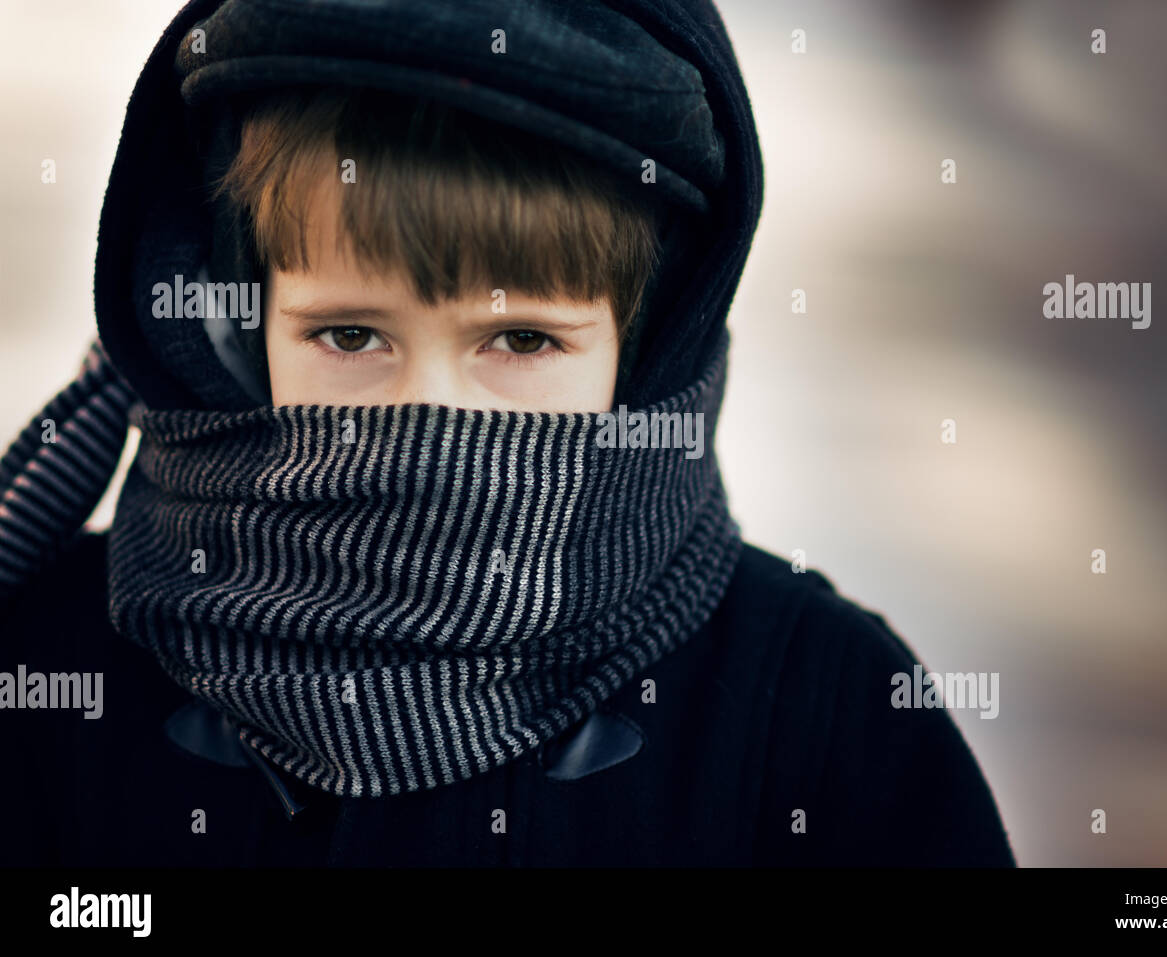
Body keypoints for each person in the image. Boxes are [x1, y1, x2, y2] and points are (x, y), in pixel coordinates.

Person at [0, 0, 1016, 867]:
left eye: (520, 339)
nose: (427, 415)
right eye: (349, 334)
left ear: (647, 350)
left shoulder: (819, 713)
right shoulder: (51, 685)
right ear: (232, 332)